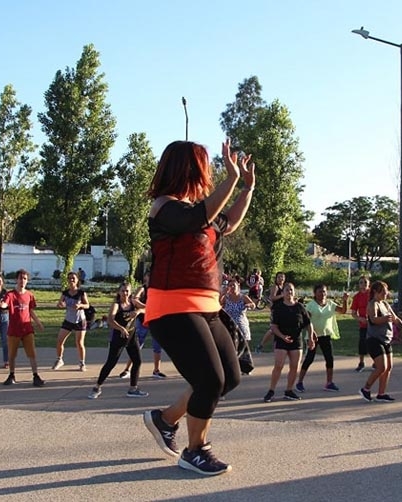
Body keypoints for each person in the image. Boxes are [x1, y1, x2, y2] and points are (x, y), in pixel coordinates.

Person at [142, 138, 254, 476]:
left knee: (230, 377)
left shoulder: (200, 213)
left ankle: (165, 419)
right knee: (209, 379)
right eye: (204, 165)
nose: (208, 172)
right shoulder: (164, 206)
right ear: (188, 168)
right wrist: (231, 180)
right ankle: (196, 450)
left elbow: (227, 223)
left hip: (206, 307)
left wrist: (246, 188)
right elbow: (199, 216)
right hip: (172, 307)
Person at [88, 282, 149, 399]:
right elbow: (110, 320)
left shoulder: (133, 302)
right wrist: (120, 328)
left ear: (130, 292)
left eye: (127, 291)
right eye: (123, 291)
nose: (125, 293)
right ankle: (97, 387)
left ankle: (133, 388)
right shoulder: (116, 305)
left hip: (131, 336)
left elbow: (147, 308)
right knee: (111, 363)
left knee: (137, 361)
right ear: (119, 292)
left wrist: (138, 311)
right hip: (118, 338)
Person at [359, 281, 402, 402]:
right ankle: (366, 388)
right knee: (381, 367)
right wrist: (384, 318)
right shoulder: (372, 304)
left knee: (388, 367)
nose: (386, 294)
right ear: (376, 291)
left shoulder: (385, 304)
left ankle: (381, 393)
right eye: (384, 291)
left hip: (386, 339)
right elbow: (373, 320)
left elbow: (396, 320)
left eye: (387, 291)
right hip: (374, 340)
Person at [296, 284, 349, 393]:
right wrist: (312, 333)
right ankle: (299, 382)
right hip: (313, 336)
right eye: (320, 291)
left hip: (326, 335)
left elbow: (343, 311)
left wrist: (345, 300)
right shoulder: (311, 305)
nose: (322, 294)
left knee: (329, 358)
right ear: (315, 293)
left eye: (324, 291)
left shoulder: (330, 304)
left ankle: (329, 383)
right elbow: (305, 321)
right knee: (309, 358)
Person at [263, 283, 309, 403]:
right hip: (281, 339)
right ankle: (271, 391)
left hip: (296, 341)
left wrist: (312, 337)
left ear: (294, 292)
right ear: (282, 293)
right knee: (279, 365)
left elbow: (308, 324)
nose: (289, 292)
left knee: (295, 366)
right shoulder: (278, 308)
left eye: (291, 290)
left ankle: (289, 390)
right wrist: (283, 337)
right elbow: (273, 327)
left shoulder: (300, 307)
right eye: (287, 290)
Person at [2, 269, 45, 387]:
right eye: (20, 278)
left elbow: (30, 311)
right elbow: (5, 304)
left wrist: (38, 323)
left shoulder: (29, 295)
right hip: (14, 330)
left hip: (27, 329)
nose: (22, 281)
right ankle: (11, 375)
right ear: (16, 280)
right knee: (11, 355)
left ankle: (36, 376)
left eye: (25, 278)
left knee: (32, 354)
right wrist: (2, 305)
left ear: (27, 281)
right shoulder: (10, 294)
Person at [120, 272, 167, 379]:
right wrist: (147, 306)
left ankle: (156, 370)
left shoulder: (158, 289)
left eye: (152, 276)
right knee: (137, 345)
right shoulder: (142, 289)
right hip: (143, 321)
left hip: (155, 321)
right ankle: (127, 369)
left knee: (157, 346)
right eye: (148, 276)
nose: (150, 278)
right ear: (145, 277)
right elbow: (134, 299)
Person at [53, 271, 90, 371]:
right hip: (68, 320)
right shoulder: (65, 293)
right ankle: (59, 360)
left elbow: (87, 305)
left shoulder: (81, 293)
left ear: (77, 280)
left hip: (80, 320)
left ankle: (82, 363)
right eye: (69, 278)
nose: (71, 280)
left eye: (73, 278)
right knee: (59, 341)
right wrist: (60, 304)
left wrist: (80, 305)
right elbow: (59, 303)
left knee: (79, 343)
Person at [220, 278, 256, 375]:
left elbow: (253, 305)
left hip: (241, 324)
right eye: (230, 285)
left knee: (244, 346)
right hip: (230, 326)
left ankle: (246, 368)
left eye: (233, 285)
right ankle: (231, 368)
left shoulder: (243, 297)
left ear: (238, 287)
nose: (231, 287)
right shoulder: (226, 298)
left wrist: (249, 305)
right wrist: (223, 293)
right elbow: (218, 303)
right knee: (231, 347)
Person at [254, 272, 286, 353]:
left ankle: (278, 347)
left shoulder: (284, 287)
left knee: (281, 329)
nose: (281, 279)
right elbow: (272, 298)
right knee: (272, 330)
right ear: (276, 278)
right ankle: (260, 346)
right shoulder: (275, 287)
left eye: (282, 277)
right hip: (276, 311)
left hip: (283, 311)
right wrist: (282, 296)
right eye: (279, 277)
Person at [350, 275, 372, 372]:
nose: (363, 285)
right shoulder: (357, 297)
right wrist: (360, 319)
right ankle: (361, 362)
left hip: (374, 323)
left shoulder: (372, 294)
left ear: (369, 284)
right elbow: (353, 313)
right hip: (363, 324)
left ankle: (376, 362)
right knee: (362, 343)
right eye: (361, 283)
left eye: (365, 283)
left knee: (374, 342)